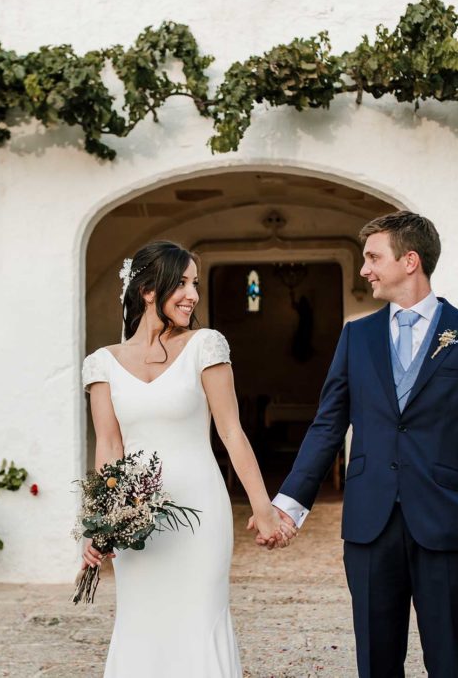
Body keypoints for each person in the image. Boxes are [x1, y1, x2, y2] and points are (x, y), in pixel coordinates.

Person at [262, 211, 458, 677]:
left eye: (372, 258)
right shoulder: (356, 336)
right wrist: (290, 503)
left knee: (448, 663)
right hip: (369, 525)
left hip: (445, 524)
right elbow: (327, 424)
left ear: (409, 261)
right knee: (376, 665)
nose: (364, 269)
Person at [81, 240, 296, 678]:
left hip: (200, 513)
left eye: (194, 283)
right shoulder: (101, 364)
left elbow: (232, 432)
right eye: (180, 283)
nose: (192, 295)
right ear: (146, 290)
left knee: (200, 618)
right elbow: (109, 447)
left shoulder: (206, 345)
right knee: (141, 621)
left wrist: (263, 509)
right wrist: (101, 524)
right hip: (137, 519)